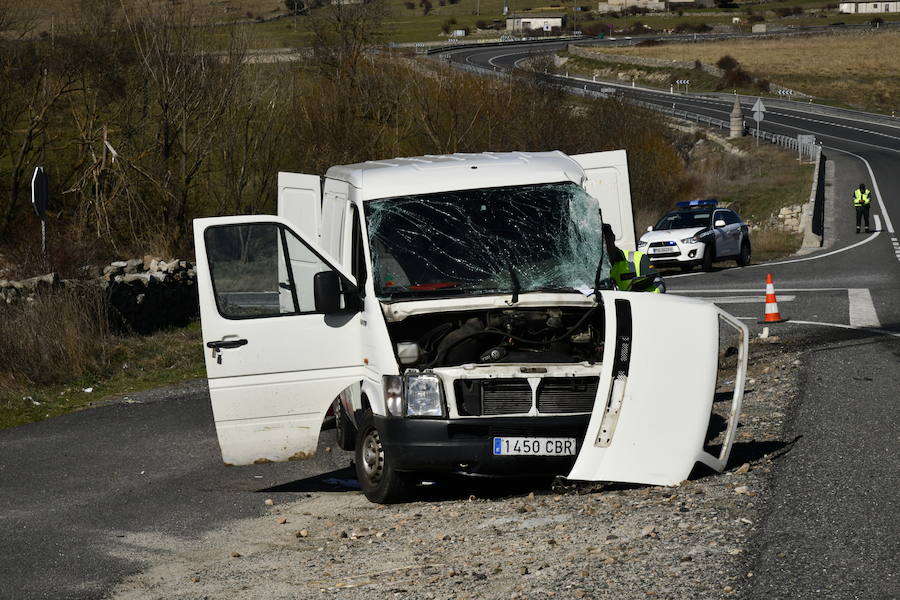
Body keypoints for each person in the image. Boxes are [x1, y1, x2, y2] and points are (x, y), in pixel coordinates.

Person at [601, 224, 665, 293]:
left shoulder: (638, 259)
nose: (604, 246)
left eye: (606, 241)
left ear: (613, 238)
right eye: (601, 243)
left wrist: (641, 297)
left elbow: (659, 283)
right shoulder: (593, 268)